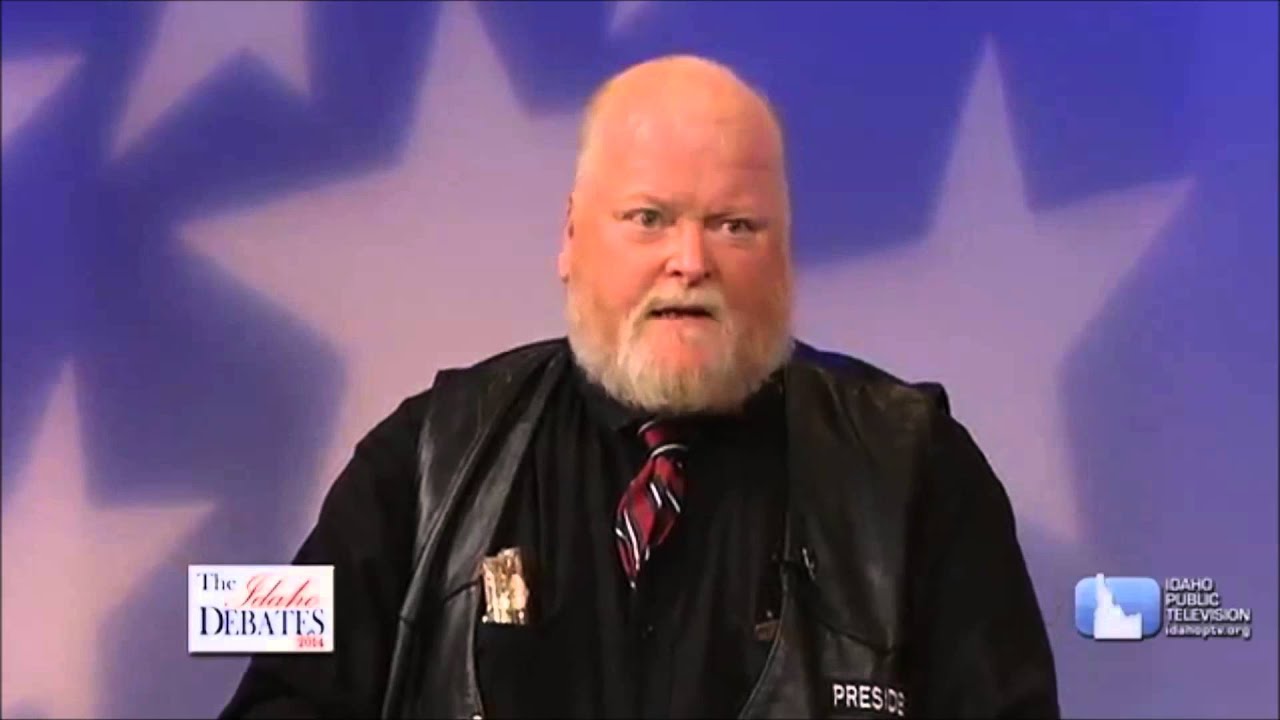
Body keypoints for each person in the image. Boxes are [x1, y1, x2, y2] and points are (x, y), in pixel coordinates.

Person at [218, 54, 1059, 719]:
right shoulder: (421, 461)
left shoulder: (917, 470)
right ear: (571, 236)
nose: (689, 261)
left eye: (734, 225)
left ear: (784, 255)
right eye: (649, 218)